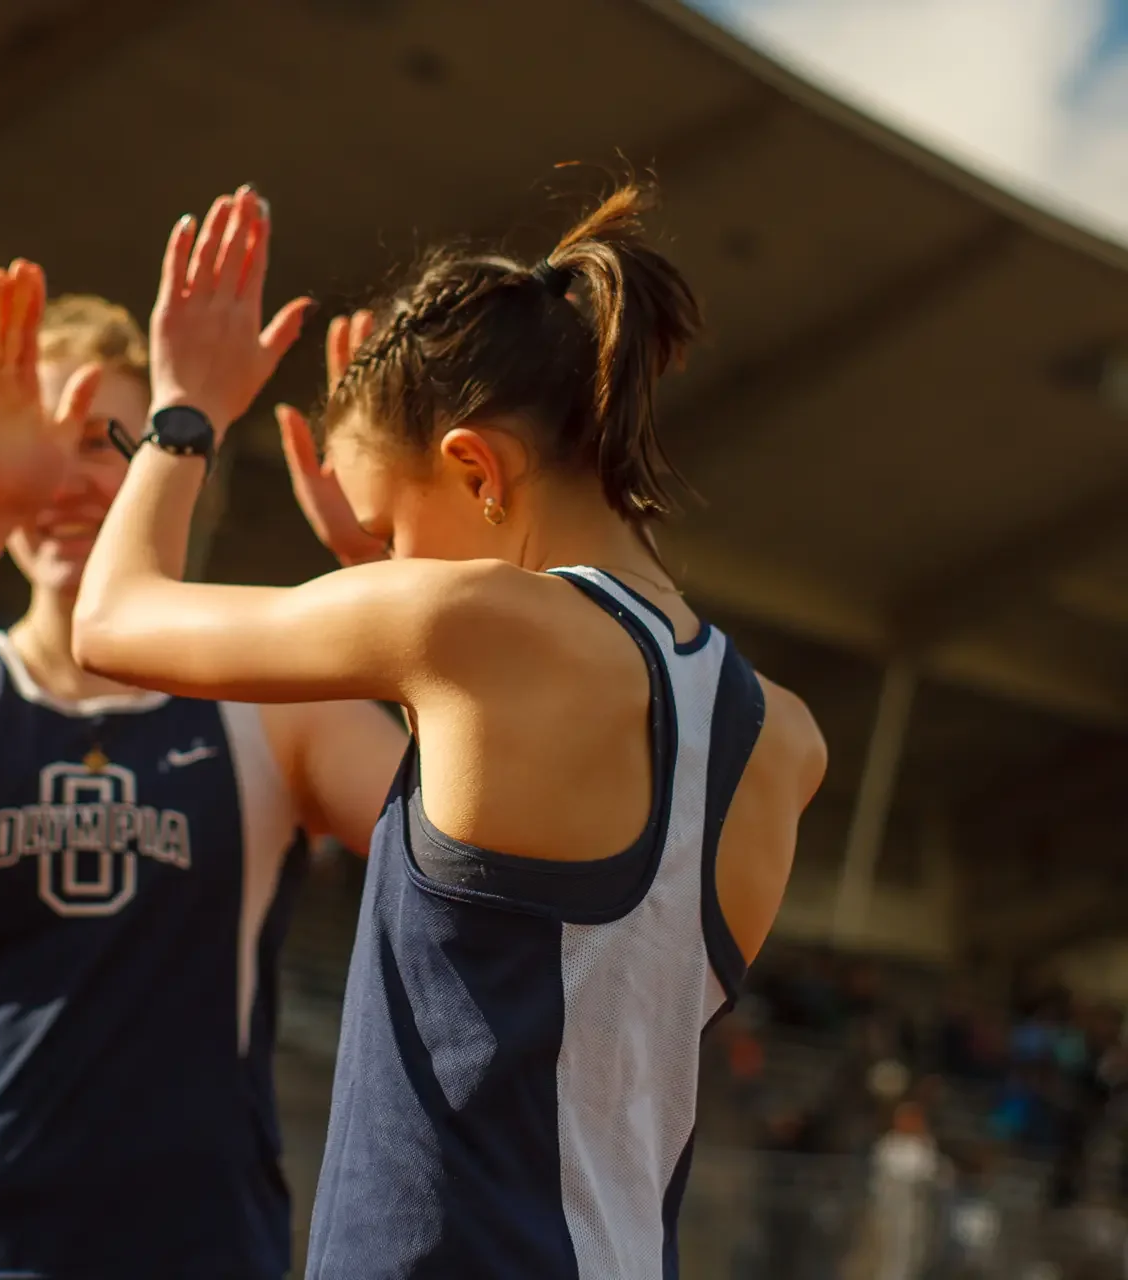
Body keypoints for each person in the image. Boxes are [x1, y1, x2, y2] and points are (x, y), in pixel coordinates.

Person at [73, 182, 827, 1277]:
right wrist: (385, 568)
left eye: (387, 526)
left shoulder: (465, 626)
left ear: (477, 469)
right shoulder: (783, 740)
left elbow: (112, 616)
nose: (388, 560)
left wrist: (184, 412)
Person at [0, 266, 404, 1279]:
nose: (70, 476)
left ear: (182, 468)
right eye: (38, 438)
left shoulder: (273, 705)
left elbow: (476, 833)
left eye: (111, 441)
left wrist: (393, 582)